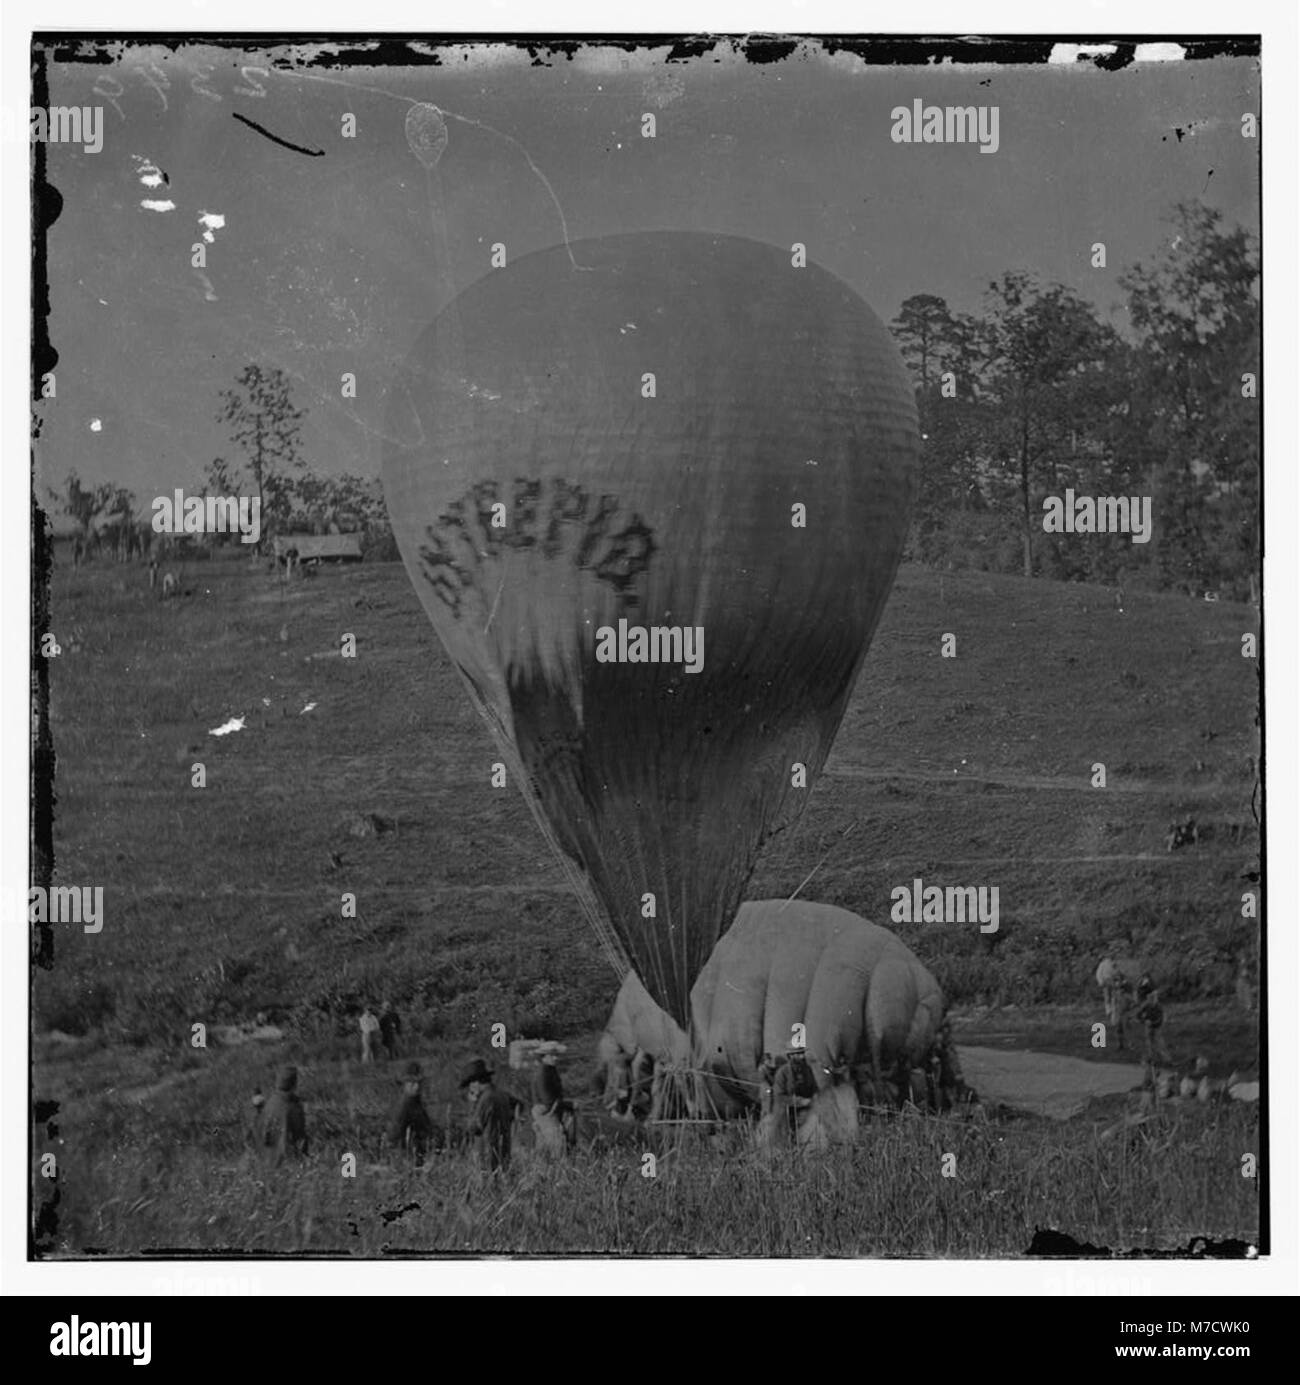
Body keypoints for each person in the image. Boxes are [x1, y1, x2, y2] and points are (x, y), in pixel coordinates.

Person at [460, 1058, 523, 1173]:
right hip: (503, 1149)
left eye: (470, 1084)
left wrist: (473, 1105)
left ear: (476, 1082)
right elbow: (519, 1105)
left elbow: (474, 1127)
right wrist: (510, 1119)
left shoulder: (485, 1099)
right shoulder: (502, 1094)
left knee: (487, 1186)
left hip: (487, 1152)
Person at [387, 1061, 434, 1165]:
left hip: (419, 1154)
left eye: (419, 1083)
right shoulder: (403, 1106)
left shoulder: (416, 1102)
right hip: (408, 1158)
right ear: (404, 1085)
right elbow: (394, 1137)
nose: (417, 1087)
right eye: (412, 1083)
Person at [260, 1065, 308, 1164]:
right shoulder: (293, 1106)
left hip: (268, 1160)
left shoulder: (270, 1103)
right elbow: (300, 1137)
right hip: (289, 1162)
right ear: (293, 1084)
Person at [771, 1046, 817, 1138]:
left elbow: (814, 1089)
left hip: (804, 1112)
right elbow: (779, 1097)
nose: (802, 1056)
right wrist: (800, 1101)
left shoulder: (807, 1070)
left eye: (802, 1053)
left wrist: (815, 1099)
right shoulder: (782, 1072)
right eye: (799, 1054)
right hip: (785, 1114)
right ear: (791, 1056)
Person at [1134, 975, 1172, 1074]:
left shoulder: (1159, 1007)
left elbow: (1161, 1018)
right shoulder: (1145, 1006)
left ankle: (1166, 1059)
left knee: (1159, 1042)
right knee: (1149, 1043)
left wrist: (1154, 1023)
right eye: (1151, 998)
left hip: (1157, 1026)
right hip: (1148, 1027)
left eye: (1154, 998)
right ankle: (1152, 1059)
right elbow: (1137, 1015)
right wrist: (1144, 1021)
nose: (1152, 1000)